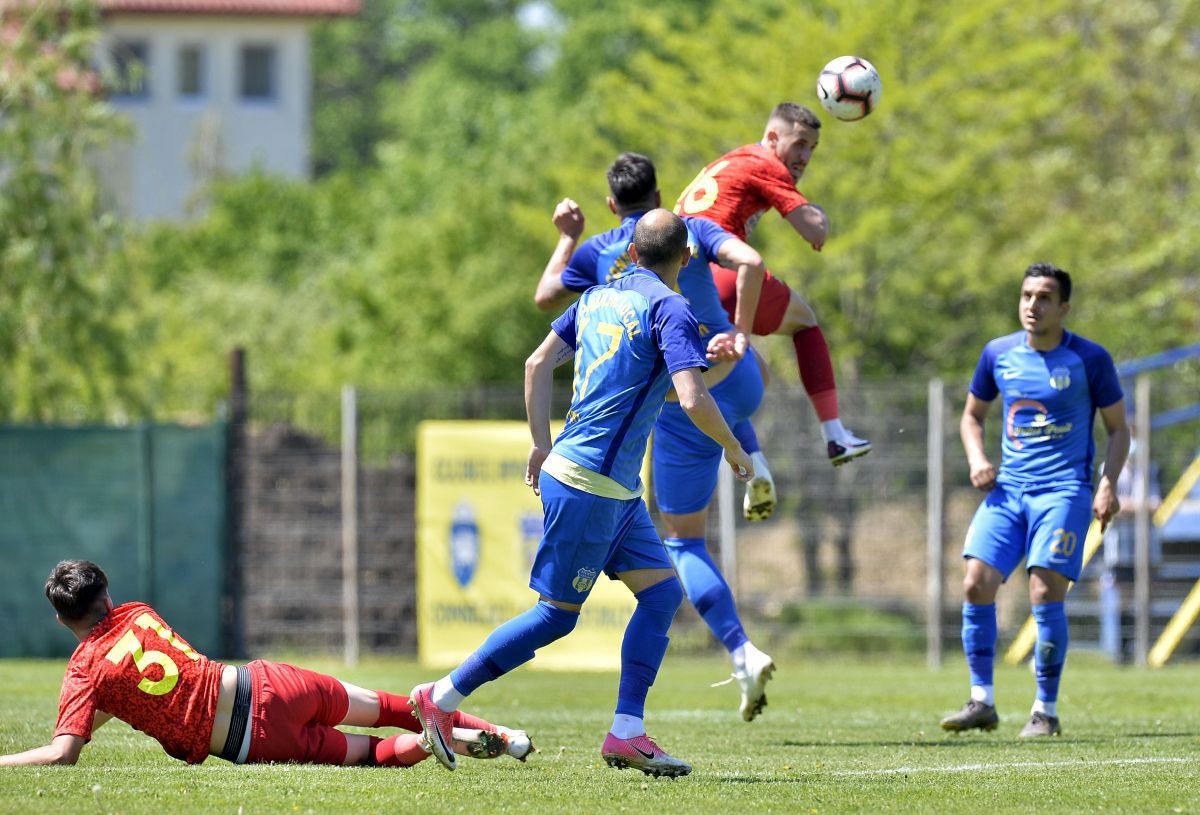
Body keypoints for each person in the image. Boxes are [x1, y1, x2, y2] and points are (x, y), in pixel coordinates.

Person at [410, 209, 754, 778]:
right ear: (687, 258)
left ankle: (626, 733)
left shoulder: (598, 297)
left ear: (633, 253)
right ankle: (440, 698)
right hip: (590, 483)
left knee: (663, 594)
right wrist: (736, 450)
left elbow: (539, 362)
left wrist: (539, 444)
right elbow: (692, 399)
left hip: (612, 489)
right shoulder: (671, 307)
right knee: (555, 617)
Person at [533, 152, 777, 721]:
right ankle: (753, 455)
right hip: (740, 373)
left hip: (682, 396)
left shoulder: (601, 250)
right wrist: (739, 334)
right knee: (736, 385)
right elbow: (750, 261)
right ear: (662, 192)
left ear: (613, 206)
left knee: (684, 540)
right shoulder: (689, 227)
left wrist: (568, 238)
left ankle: (742, 653)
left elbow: (547, 296)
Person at [0, 560, 532, 767]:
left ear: (59, 619)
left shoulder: (86, 672)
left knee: (374, 755)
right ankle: (503, 735)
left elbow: (62, 754)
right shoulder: (137, 611)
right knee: (397, 705)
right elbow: (140, 679)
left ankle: (428, 745)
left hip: (251, 739)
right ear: (108, 596)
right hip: (270, 681)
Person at [940, 263, 1129, 738]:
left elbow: (1118, 428)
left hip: (1064, 491)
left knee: (1044, 592)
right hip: (1008, 492)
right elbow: (971, 416)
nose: (1033, 305)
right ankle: (981, 700)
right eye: (1027, 295)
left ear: (1063, 307)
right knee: (974, 584)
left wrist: (1108, 482)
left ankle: (1045, 710)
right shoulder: (997, 353)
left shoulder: (1090, 359)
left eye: (1044, 297)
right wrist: (977, 458)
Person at [674, 101, 871, 466]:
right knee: (805, 322)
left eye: (812, 147)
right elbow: (815, 230)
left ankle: (756, 465)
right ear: (772, 136)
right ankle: (835, 435)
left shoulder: (732, 160)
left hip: (680, 283)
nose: (805, 155)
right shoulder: (765, 163)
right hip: (723, 270)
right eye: (799, 143)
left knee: (747, 371)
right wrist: (821, 217)